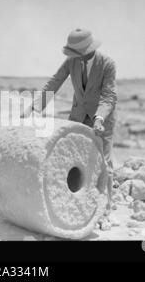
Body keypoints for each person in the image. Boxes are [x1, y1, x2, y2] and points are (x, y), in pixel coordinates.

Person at [21, 28, 117, 210]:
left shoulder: (107, 64)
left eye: (77, 53)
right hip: (78, 116)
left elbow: (109, 96)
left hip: (102, 120)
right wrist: (34, 106)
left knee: (104, 163)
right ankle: (79, 204)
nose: (74, 56)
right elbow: (55, 82)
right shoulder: (72, 61)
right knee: (75, 159)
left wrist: (99, 118)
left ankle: (105, 210)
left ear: (88, 50)